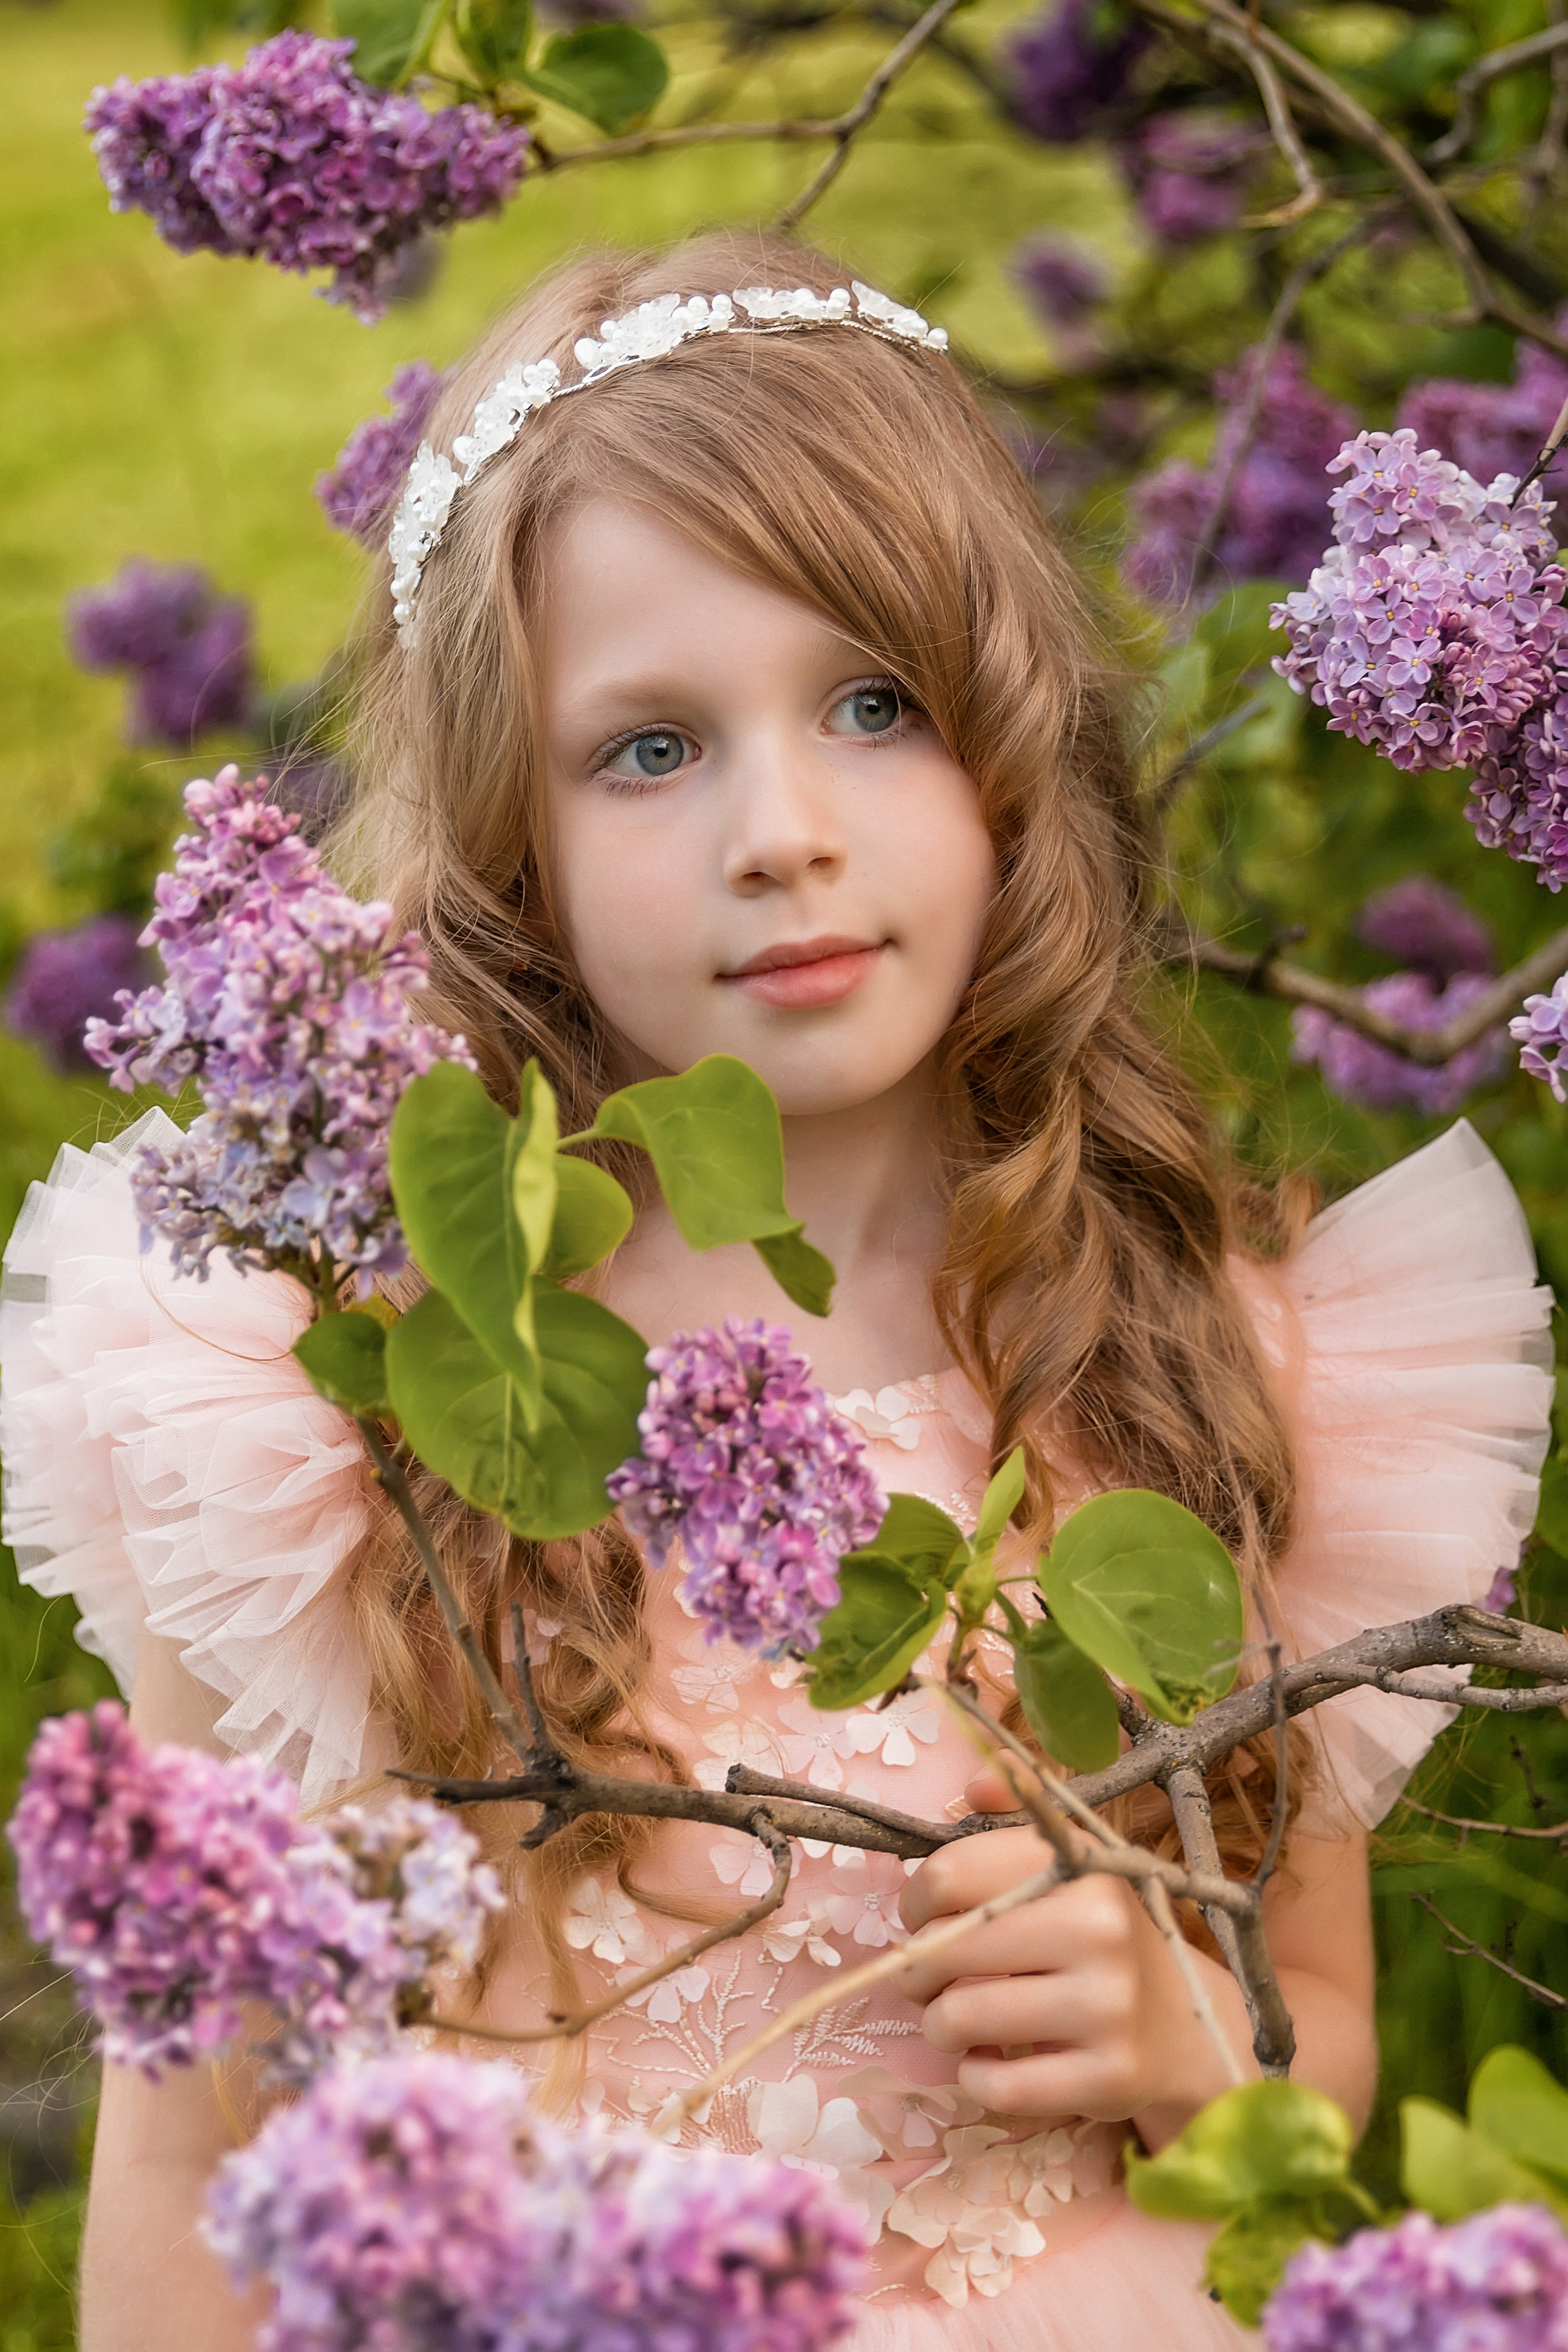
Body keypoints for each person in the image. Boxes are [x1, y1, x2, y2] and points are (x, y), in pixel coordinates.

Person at [2, 231, 1554, 2352]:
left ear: (1008, 733)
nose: (785, 831)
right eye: (649, 749)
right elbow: (191, 2151)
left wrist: (1197, 2045)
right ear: (505, 831)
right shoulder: (320, 1412)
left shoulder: (1191, 1350)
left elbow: (1319, 2037)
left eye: (871, 703)